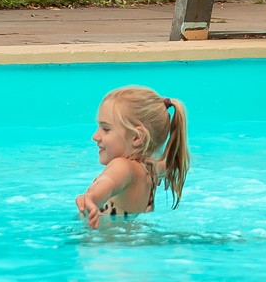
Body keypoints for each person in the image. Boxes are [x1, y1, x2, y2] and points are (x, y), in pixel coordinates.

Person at [77, 84, 189, 222]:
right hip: (137, 234)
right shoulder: (152, 168)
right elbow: (169, 164)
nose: (95, 136)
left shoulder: (122, 166)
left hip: (103, 236)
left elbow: (108, 182)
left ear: (136, 137)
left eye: (106, 129)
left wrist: (91, 197)